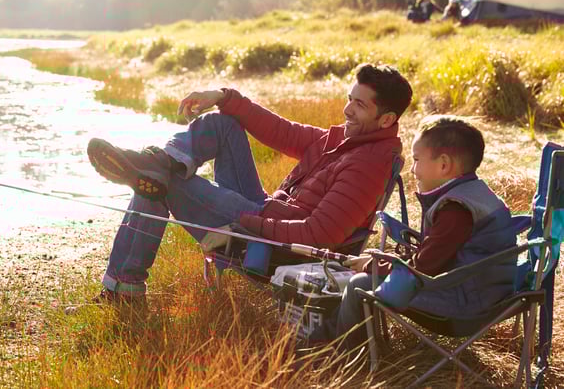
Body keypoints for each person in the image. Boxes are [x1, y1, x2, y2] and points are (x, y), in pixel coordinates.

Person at [86, 63, 413, 304]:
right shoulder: (344, 140)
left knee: (162, 182)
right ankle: (160, 162)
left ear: (386, 120)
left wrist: (246, 223)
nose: (347, 110)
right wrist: (222, 96)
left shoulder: (369, 163)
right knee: (222, 124)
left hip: (276, 246)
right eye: (349, 98)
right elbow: (281, 131)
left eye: (359, 105)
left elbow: (320, 236)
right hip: (269, 211)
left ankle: (123, 286)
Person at [336, 116, 515, 352]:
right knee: (369, 277)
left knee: (358, 284)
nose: (413, 169)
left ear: (443, 165)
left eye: (417, 160)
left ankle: (347, 358)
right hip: (485, 294)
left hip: (464, 306)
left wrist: (372, 265)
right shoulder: (474, 193)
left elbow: (423, 269)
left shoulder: (455, 208)